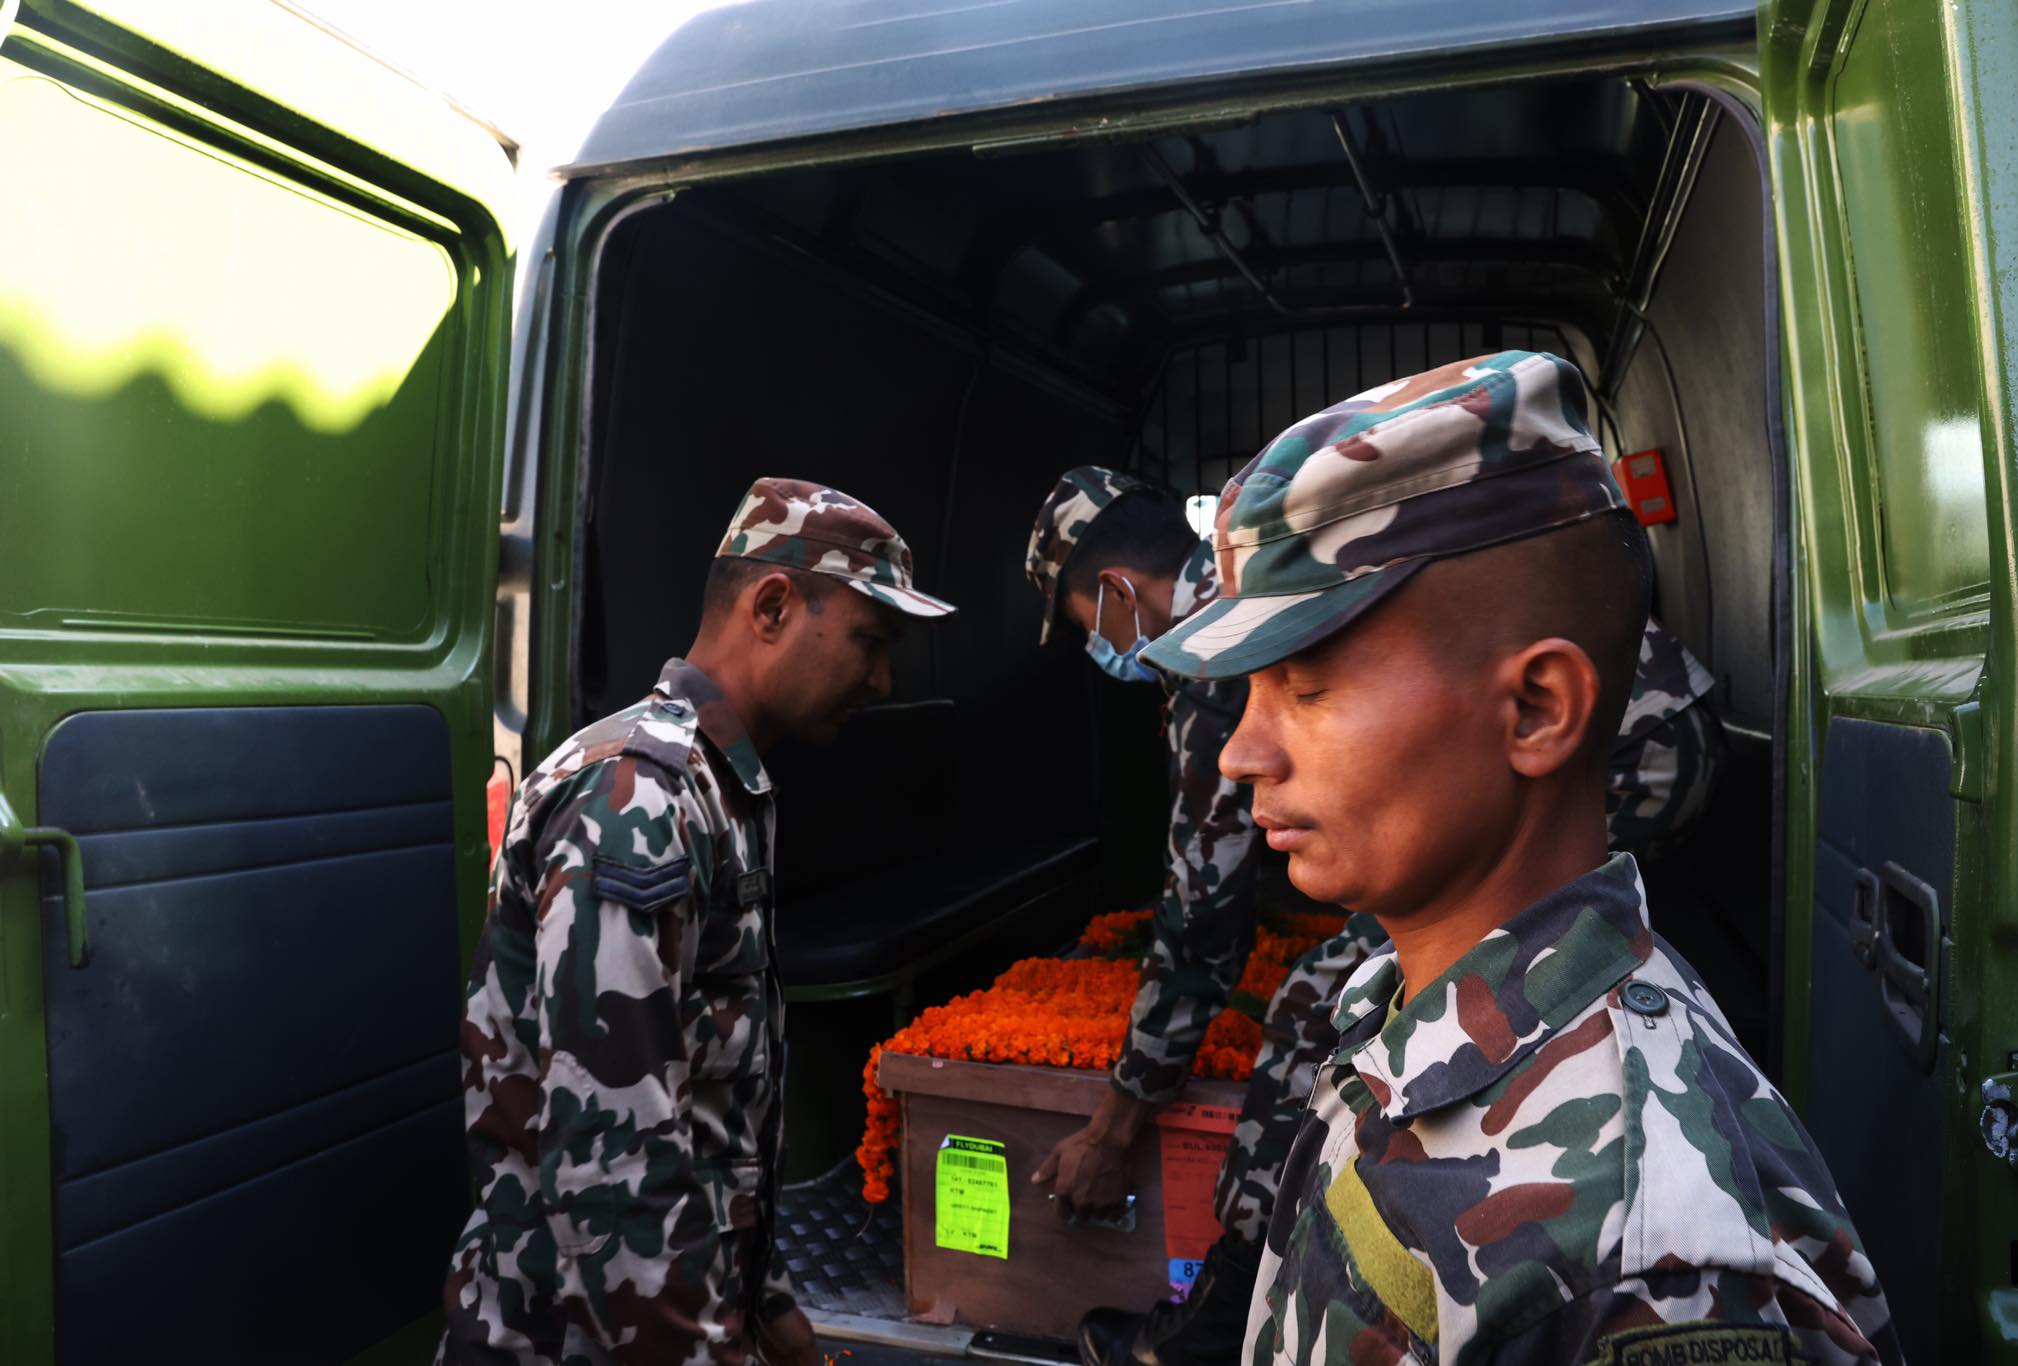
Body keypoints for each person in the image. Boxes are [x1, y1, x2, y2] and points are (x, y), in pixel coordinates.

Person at [1139, 351, 1897, 1364]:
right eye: (1245, 695)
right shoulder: (1390, 986)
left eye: (1304, 687)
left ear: (1536, 708)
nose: (1239, 750)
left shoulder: (1649, 1267)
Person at [1020, 466, 1723, 1366]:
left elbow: (1203, 921)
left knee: (1324, 994)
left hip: (1636, 749)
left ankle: (1221, 1312)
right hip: (1665, 717)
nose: (1246, 749)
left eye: (1308, 692)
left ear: (1116, 591)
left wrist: (1123, 1115)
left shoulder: (1228, 635)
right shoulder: (1260, 591)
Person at [439, 478, 955, 1366]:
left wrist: (769, 1304)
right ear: (773, 605)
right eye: (869, 641)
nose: (883, 678)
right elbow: (614, 1161)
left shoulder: (720, 787)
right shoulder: (634, 797)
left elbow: (711, 1121)